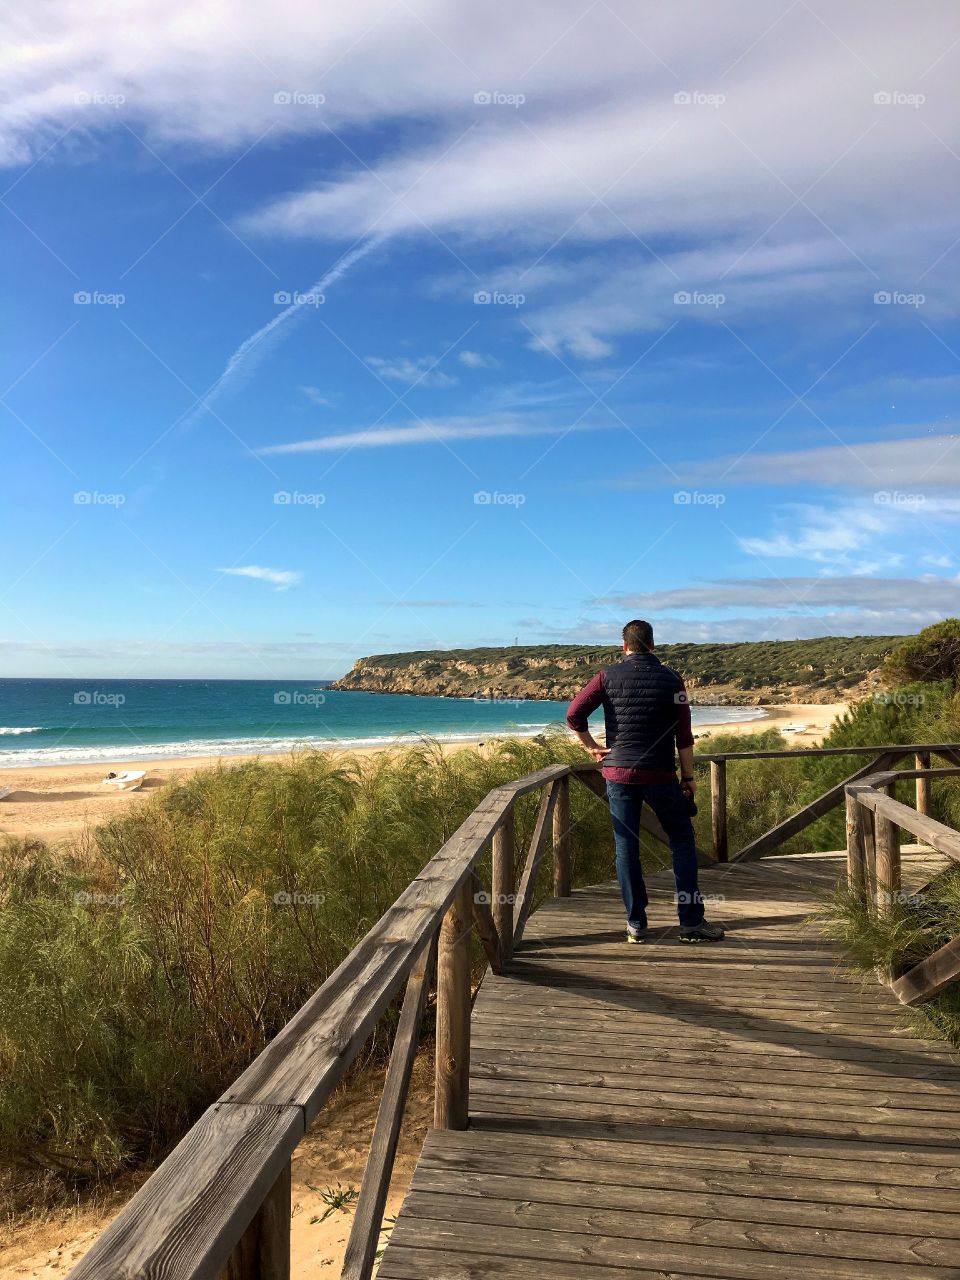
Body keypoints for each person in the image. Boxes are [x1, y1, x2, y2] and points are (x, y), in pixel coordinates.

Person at [566, 619, 724, 944]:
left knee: (626, 846)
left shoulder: (606, 677)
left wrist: (592, 747)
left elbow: (574, 715)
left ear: (624, 646)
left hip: (619, 774)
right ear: (653, 645)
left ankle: (636, 925)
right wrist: (689, 777)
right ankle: (691, 923)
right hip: (661, 774)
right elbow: (684, 736)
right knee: (681, 841)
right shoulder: (671, 679)